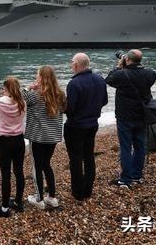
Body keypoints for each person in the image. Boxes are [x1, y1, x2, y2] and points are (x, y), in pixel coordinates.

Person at [105, 49, 156, 189]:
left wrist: (119, 66)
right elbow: (148, 76)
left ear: (127, 59)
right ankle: (137, 175)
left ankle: (126, 179)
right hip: (142, 115)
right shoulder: (150, 73)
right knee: (140, 146)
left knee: (126, 147)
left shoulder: (121, 74)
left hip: (125, 116)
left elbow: (109, 79)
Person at [64, 53, 108, 201]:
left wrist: (61, 106)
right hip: (92, 123)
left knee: (75, 159)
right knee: (89, 156)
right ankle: (88, 189)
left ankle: (78, 192)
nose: (71, 65)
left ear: (76, 65)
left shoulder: (74, 84)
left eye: (72, 63)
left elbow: (70, 109)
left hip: (75, 126)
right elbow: (105, 101)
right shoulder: (100, 79)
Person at [23, 66, 66, 209]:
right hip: (52, 136)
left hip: (38, 137)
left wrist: (29, 87)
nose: (36, 77)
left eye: (37, 75)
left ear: (40, 77)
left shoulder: (35, 95)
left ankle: (39, 198)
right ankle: (52, 197)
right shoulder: (60, 94)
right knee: (47, 164)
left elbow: (19, 96)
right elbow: (65, 109)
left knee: (37, 167)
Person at [0, 76, 26, 217]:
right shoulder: (22, 102)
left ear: (7, 89)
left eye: (4, 88)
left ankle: (4, 209)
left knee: (5, 173)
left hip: (5, 141)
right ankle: (18, 202)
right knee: (19, 171)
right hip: (19, 141)